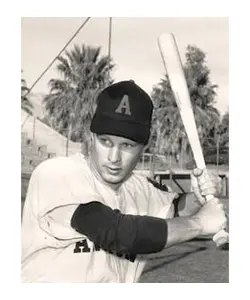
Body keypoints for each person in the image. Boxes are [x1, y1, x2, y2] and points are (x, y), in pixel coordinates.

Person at [21, 80, 227, 283]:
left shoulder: (140, 187)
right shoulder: (55, 173)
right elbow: (114, 232)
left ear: (143, 149)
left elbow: (175, 208)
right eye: (106, 141)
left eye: (127, 145)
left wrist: (198, 198)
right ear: (91, 138)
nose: (114, 157)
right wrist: (199, 224)